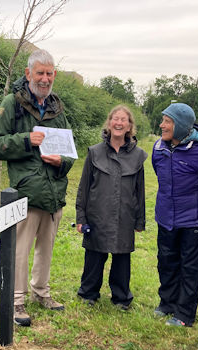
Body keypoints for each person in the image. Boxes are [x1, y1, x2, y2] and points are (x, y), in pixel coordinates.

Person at [0, 49, 74, 327]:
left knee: (45, 248)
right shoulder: (13, 103)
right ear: (28, 74)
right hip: (26, 193)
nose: (45, 79)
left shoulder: (58, 108)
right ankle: (16, 301)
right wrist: (26, 140)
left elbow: (70, 152)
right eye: (40, 73)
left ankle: (41, 292)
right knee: (20, 250)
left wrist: (63, 162)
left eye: (49, 73)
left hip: (53, 193)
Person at [75, 105, 147, 310]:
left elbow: (139, 191)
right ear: (109, 123)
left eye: (123, 119)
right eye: (115, 118)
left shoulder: (138, 155)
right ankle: (88, 292)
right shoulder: (94, 152)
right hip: (97, 214)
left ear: (129, 126)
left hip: (125, 215)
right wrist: (81, 217)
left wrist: (140, 220)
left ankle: (121, 297)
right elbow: (84, 188)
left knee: (122, 258)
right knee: (94, 256)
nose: (119, 123)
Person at [151, 103, 198, 327]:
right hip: (166, 217)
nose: (162, 125)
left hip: (194, 222)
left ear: (180, 125)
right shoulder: (158, 148)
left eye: (167, 121)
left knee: (191, 268)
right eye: (163, 120)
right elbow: (158, 172)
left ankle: (184, 314)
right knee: (166, 262)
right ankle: (167, 303)